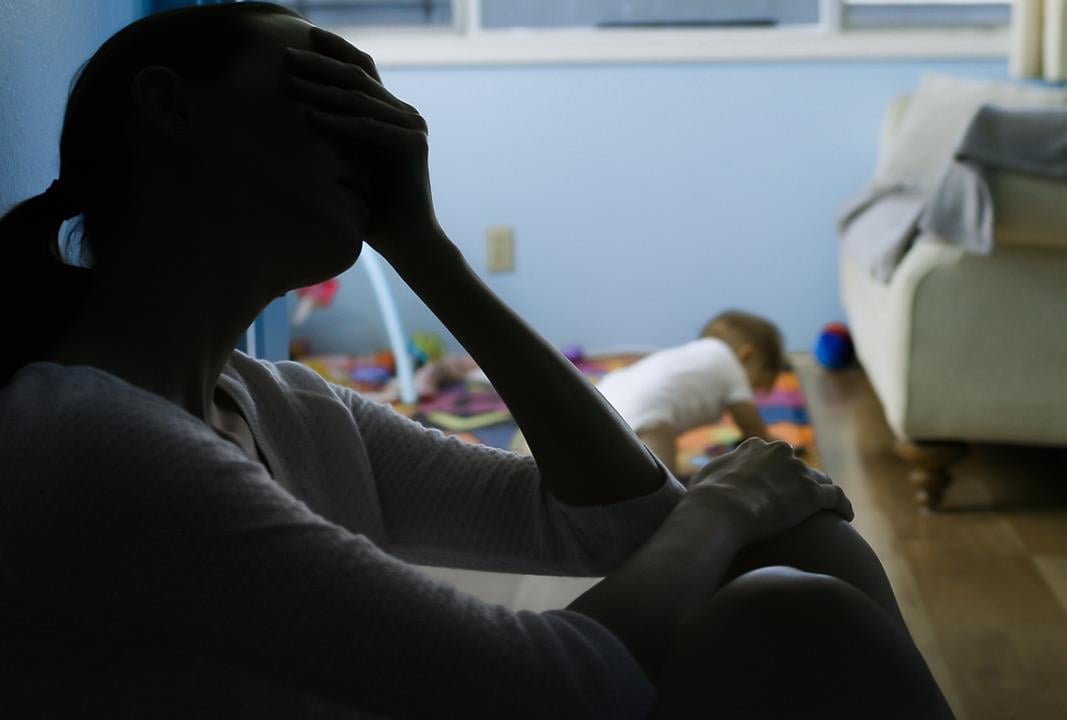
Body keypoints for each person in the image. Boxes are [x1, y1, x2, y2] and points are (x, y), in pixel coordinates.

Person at [0, 4, 954, 718]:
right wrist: (727, 499)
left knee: (797, 548)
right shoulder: (89, 442)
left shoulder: (282, 404)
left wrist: (425, 249)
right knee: (779, 605)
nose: (376, 126)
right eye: (325, 85)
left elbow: (615, 524)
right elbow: (552, 685)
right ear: (171, 109)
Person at [595, 310, 784, 480]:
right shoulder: (730, 364)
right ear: (747, 355)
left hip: (603, 398)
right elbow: (750, 423)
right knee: (659, 482)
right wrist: (775, 448)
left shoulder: (691, 356)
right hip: (647, 417)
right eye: (757, 385)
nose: (751, 393)